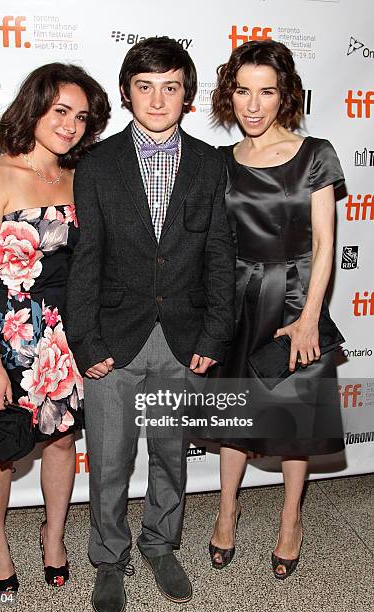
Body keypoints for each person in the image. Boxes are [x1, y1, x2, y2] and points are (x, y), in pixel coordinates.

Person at [66, 37, 235, 612]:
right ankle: (108, 559)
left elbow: (219, 255)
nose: (157, 99)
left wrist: (214, 335)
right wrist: (86, 340)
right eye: (145, 86)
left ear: (187, 96)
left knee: (170, 454)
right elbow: (84, 261)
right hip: (115, 340)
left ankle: (160, 545)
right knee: (110, 461)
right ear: (126, 92)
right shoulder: (95, 164)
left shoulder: (211, 163)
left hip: (182, 342)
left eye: (171, 87)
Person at [0, 63, 110, 592]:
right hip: (3, 333)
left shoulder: (78, 177)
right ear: (34, 106)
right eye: (60, 110)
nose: (70, 125)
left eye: (81, 117)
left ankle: (54, 536)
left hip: (60, 338)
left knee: (62, 443)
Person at [208, 40, 344, 579]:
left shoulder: (317, 154)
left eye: (266, 91)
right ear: (230, 96)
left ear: (285, 94)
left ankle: (291, 521)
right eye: (243, 91)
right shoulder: (222, 161)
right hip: (240, 299)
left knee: (294, 421)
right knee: (234, 415)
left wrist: (310, 316)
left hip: (294, 298)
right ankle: (226, 510)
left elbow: (325, 244)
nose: (254, 105)